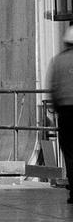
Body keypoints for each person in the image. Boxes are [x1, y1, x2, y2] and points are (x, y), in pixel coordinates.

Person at [46, 25, 73, 203]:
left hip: (66, 112)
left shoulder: (57, 61)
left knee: (70, 153)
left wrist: (56, 107)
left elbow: (53, 88)